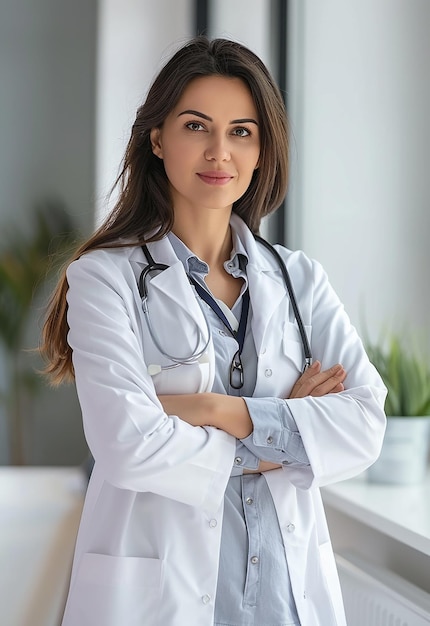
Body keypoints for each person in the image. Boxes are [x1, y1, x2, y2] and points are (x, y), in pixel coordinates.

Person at [41, 36, 386, 626]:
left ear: (261, 151)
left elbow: (364, 425)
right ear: (157, 139)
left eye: (242, 132)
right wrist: (284, 440)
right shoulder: (104, 278)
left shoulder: (299, 279)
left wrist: (211, 409)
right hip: (159, 601)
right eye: (197, 126)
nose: (219, 152)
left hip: (285, 599)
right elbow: (128, 446)